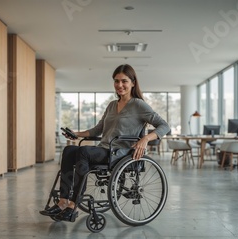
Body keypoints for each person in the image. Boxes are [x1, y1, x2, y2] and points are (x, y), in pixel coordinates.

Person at [40, 64, 170, 222]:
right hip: (104, 150)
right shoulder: (111, 105)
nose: (119, 85)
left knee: (83, 152)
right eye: (116, 81)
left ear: (133, 83)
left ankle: (73, 205)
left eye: (124, 81)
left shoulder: (138, 104)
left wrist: (145, 139)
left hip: (119, 153)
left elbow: (164, 126)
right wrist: (76, 134)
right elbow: (98, 129)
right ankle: (62, 201)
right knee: (68, 150)